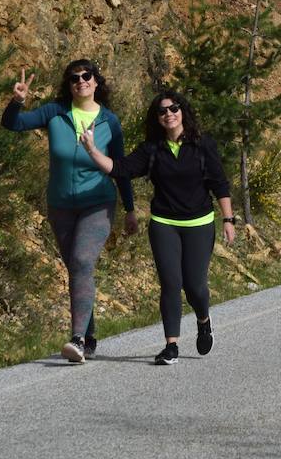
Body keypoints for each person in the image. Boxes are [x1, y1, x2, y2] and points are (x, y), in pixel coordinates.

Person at [80, 91, 235, 365]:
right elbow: (120, 169)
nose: (169, 114)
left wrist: (228, 219)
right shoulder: (152, 149)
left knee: (195, 286)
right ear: (157, 118)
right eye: (162, 111)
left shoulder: (202, 145)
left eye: (173, 108)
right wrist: (92, 150)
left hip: (199, 223)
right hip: (164, 223)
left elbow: (219, 183)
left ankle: (203, 319)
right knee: (171, 284)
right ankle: (171, 346)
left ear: (182, 111)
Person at [2, 61, 137, 363]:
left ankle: (76, 339)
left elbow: (121, 168)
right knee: (76, 268)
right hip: (60, 205)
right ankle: (88, 337)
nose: (81, 82)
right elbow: (13, 124)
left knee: (82, 260)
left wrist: (129, 209)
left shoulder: (109, 122)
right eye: (74, 78)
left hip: (98, 203)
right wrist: (18, 101)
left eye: (86, 76)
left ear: (96, 82)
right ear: (69, 84)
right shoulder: (54, 112)